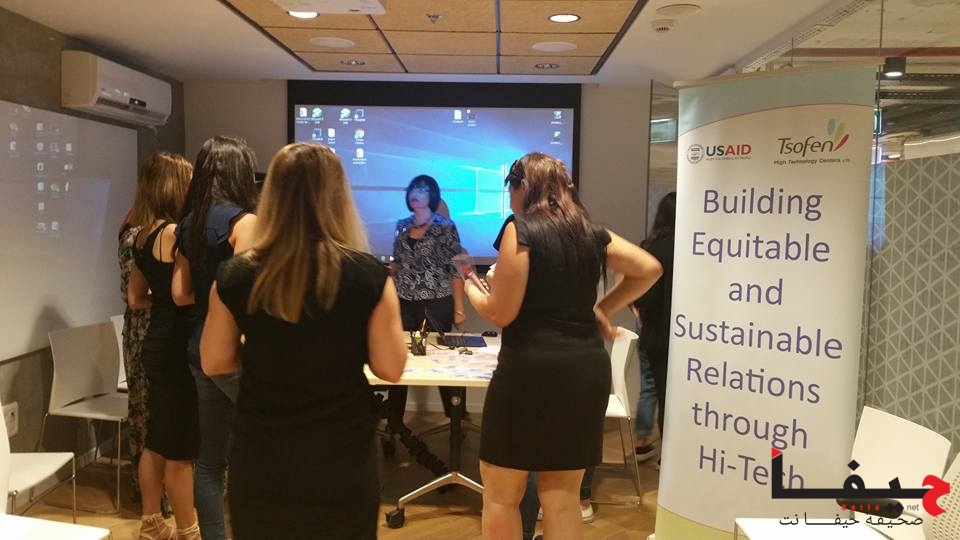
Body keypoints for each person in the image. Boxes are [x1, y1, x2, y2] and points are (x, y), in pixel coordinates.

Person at [200, 142, 407, 540]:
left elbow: (214, 361)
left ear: (272, 195)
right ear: (338, 196)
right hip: (342, 457)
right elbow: (391, 367)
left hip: (263, 455)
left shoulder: (235, 276)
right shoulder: (368, 276)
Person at [465, 152, 663, 539]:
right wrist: (602, 307)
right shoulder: (590, 232)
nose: (510, 200)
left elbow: (500, 313)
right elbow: (648, 268)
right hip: (584, 372)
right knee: (562, 498)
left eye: (511, 189)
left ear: (523, 187)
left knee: (502, 495)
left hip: (530, 371)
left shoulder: (520, 229)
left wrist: (474, 289)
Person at [172, 135, 258, 540]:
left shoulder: (187, 223)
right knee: (264, 445)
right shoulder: (245, 223)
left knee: (209, 463)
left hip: (198, 351)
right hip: (236, 354)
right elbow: (250, 296)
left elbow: (180, 293)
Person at [126, 152, 200, 540]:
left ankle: (152, 523)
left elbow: (135, 298)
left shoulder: (140, 236)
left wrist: (166, 303)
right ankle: (189, 531)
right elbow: (184, 293)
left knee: (156, 441)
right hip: (176, 351)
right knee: (180, 449)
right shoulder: (174, 233)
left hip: (155, 346)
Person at [387, 175, 465, 423]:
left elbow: (456, 267)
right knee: (400, 359)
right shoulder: (402, 225)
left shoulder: (445, 227)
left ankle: (456, 420)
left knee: (441, 361)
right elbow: (398, 261)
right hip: (404, 300)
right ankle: (394, 422)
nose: (415, 193)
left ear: (432, 195)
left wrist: (459, 309)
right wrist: (387, 270)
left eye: (422, 189)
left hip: (436, 302)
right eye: (413, 188)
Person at [633, 192, 676, 454]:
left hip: (654, 333)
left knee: (653, 389)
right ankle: (670, 456)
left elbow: (641, 296)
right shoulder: (690, 250)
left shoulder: (649, 248)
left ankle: (649, 446)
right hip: (680, 336)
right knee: (673, 398)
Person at [118, 213, 150, 501]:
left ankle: (157, 491)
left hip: (145, 330)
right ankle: (150, 491)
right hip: (143, 332)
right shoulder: (135, 236)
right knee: (144, 413)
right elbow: (133, 295)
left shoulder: (139, 232)